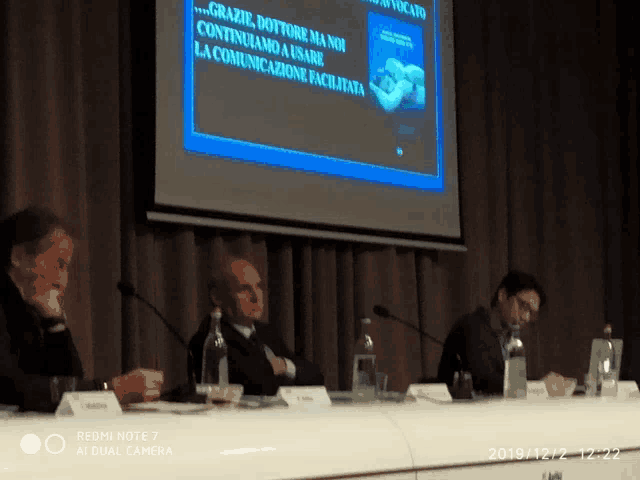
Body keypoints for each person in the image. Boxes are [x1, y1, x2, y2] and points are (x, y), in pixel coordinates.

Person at [0, 206, 164, 412]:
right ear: (19, 256)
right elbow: (11, 389)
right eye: (59, 265)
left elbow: (67, 388)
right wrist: (108, 389)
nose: (63, 281)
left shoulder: (29, 310)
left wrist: (55, 324)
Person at [188, 255, 324, 396]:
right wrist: (275, 370)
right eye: (244, 289)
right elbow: (254, 383)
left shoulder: (267, 333)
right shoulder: (208, 340)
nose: (255, 296)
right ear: (217, 297)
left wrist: (284, 366)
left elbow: (315, 376)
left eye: (258, 287)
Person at [437, 271, 548, 396]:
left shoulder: (509, 337)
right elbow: (484, 381)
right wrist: (540, 385)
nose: (526, 317)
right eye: (523, 306)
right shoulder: (472, 327)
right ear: (502, 295)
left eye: (531, 313)